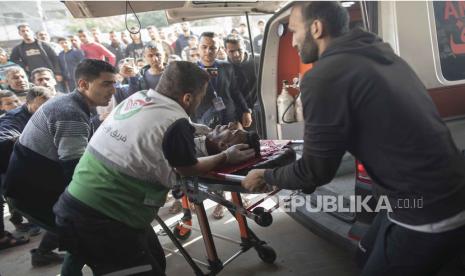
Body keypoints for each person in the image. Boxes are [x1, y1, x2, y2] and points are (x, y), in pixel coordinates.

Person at [242, 2, 465, 275]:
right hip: (439, 192)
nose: (293, 41)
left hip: (427, 212)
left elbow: (315, 172)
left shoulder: (325, 76)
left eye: (294, 31)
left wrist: (266, 176)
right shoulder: (380, 53)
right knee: (363, 254)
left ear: (316, 27)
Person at [52, 61, 255, 275]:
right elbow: (188, 168)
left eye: (232, 133)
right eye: (200, 97)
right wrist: (225, 156)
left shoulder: (138, 98)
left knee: (155, 258)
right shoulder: (174, 122)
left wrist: (203, 132)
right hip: (102, 218)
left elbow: (158, 130)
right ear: (187, 98)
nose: (229, 128)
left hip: (78, 202)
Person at [3, 59, 116, 273]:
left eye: (114, 83)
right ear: (83, 84)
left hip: (36, 186)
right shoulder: (70, 112)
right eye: (106, 84)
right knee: (83, 236)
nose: (112, 90)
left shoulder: (72, 104)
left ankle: (45, 255)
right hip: (30, 193)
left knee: (78, 236)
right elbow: (75, 169)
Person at [0, 87, 52, 254]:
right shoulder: (15, 118)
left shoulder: (50, 112)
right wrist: (30, 139)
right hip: (9, 171)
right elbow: (4, 139)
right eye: (40, 106)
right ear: (28, 103)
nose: (44, 110)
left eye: (48, 106)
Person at [194, 32, 251, 129]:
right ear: (198, 47)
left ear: (219, 49)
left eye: (213, 48)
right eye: (204, 47)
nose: (208, 51)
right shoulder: (191, 70)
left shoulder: (227, 67)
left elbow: (235, 91)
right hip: (204, 121)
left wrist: (246, 111)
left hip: (229, 118)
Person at [224, 35, 260, 116]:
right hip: (238, 113)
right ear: (225, 50)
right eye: (231, 51)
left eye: (239, 50)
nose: (236, 54)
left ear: (244, 47)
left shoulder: (258, 60)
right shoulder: (224, 67)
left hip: (260, 108)